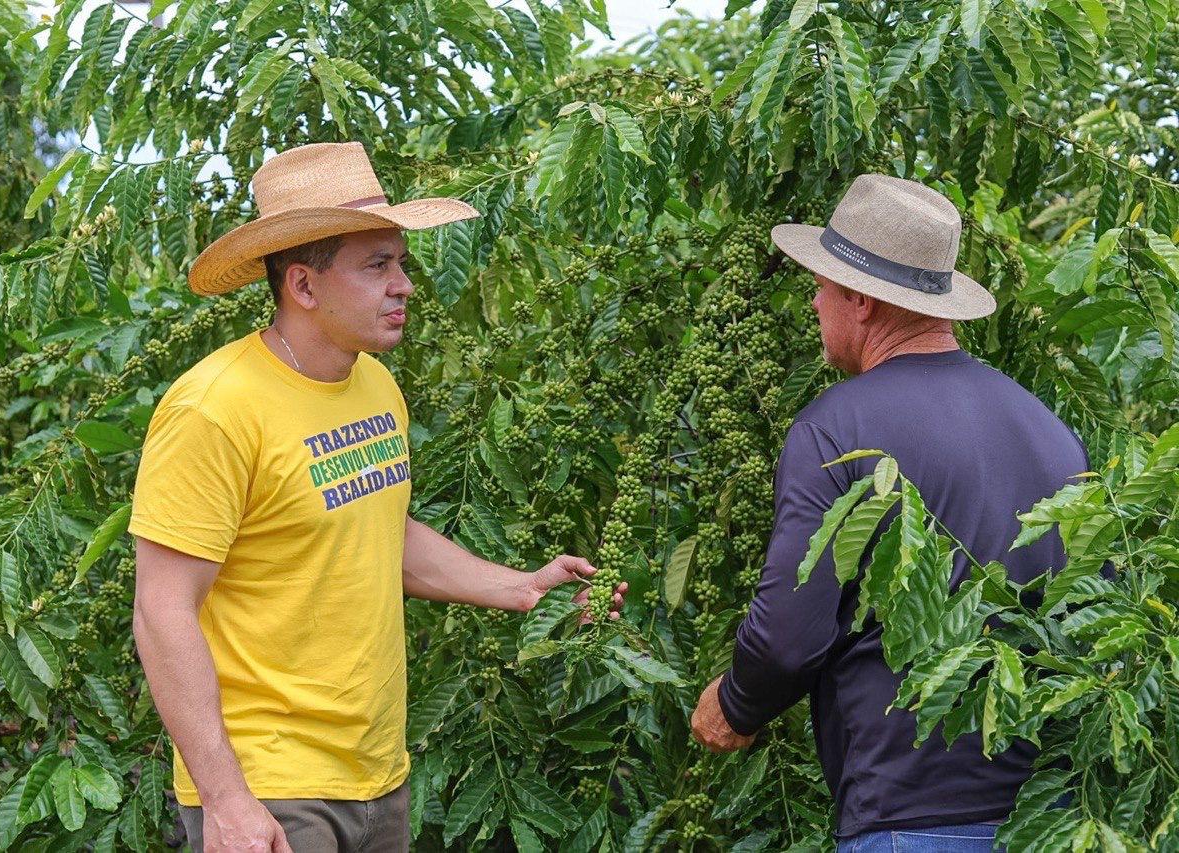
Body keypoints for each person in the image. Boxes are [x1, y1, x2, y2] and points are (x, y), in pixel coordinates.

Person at [129, 142, 627, 853]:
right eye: (377, 266)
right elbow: (161, 608)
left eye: (401, 262)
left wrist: (523, 589)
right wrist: (227, 799)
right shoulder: (215, 408)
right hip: (271, 787)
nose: (405, 286)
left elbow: (377, 530)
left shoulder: (373, 385)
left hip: (377, 776)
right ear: (303, 285)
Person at [688, 174, 1089, 851]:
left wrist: (736, 703)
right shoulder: (1050, 429)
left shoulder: (837, 427)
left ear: (863, 301)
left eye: (823, 284)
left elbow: (791, 629)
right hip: (1052, 818)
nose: (814, 301)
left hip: (908, 816)